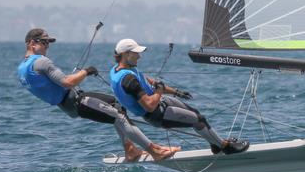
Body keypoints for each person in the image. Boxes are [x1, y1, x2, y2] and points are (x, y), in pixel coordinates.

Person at [17, 28, 179, 161]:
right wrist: (86, 71)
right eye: (44, 42)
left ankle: (130, 149)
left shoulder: (22, 69)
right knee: (119, 117)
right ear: (32, 43)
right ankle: (154, 150)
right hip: (76, 101)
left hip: (68, 103)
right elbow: (67, 82)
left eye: (48, 43)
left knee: (117, 105)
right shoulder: (41, 62)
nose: (47, 46)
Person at [109, 38, 249, 155]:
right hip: (157, 114)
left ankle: (215, 144)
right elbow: (150, 106)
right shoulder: (128, 80)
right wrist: (158, 91)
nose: (139, 56)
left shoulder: (120, 70)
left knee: (195, 113)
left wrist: (175, 92)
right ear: (126, 54)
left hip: (162, 103)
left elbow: (147, 81)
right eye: (136, 53)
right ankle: (225, 147)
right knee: (199, 120)